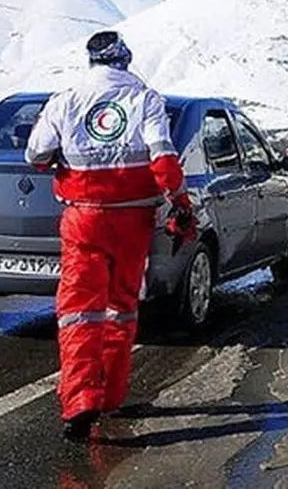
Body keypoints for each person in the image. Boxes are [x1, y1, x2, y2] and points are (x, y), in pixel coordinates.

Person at [25, 31, 195, 442]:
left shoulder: (65, 101)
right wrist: (180, 202)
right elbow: (164, 160)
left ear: (91, 61)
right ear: (124, 60)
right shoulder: (145, 100)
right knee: (122, 307)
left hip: (83, 219)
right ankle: (112, 394)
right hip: (134, 220)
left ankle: (80, 400)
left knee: (79, 311)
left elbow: (36, 154)